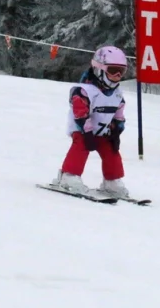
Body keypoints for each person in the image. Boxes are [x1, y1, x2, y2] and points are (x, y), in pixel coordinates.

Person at [53, 46, 129, 197]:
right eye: (113, 70)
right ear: (99, 69)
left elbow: (119, 113)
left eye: (122, 71)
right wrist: (87, 133)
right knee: (81, 146)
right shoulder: (84, 91)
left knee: (111, 151)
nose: (117, 75)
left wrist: (116, 130)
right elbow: (80, 113)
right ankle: (69, 176)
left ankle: (112, 181)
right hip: (82, 129)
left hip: (102, 131)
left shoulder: (117, 94)